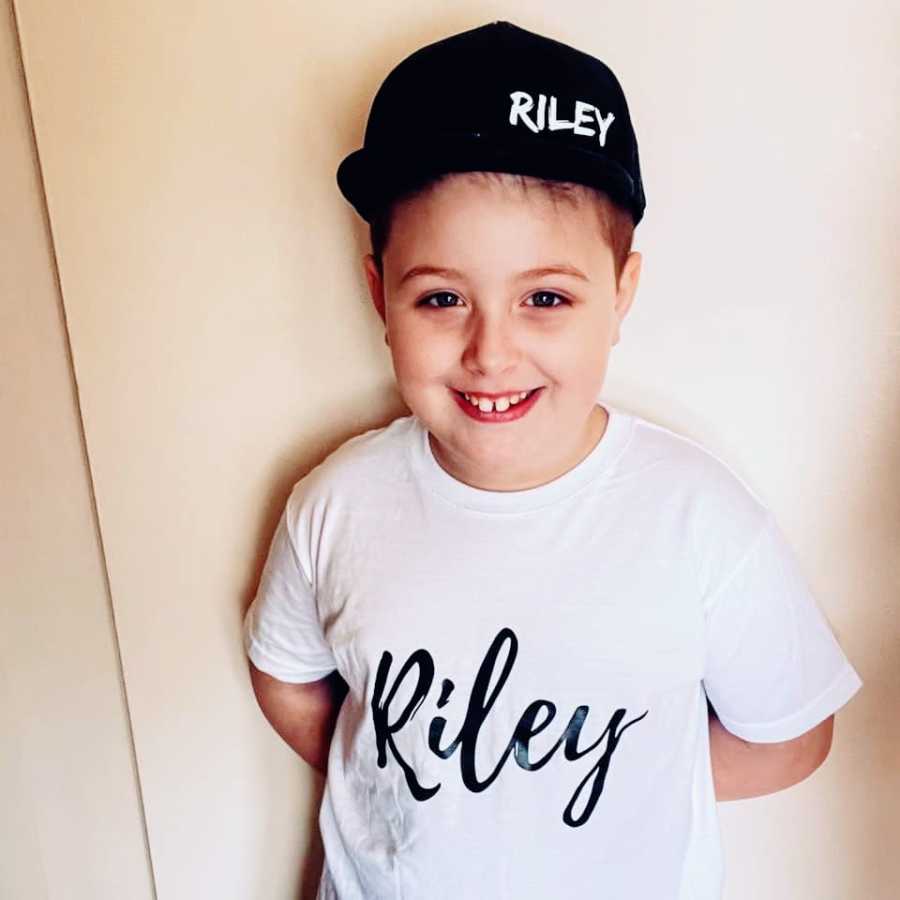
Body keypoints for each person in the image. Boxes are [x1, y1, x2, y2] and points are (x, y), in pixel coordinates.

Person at [242, 19, 863, 899]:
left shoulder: (697, 520)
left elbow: (792, 735)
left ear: (620, 295)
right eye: (443, 297)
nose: (492, 353)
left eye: (544, 297)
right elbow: (290, 680)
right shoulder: (336, 504)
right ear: (380, 293)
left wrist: (623, 787)